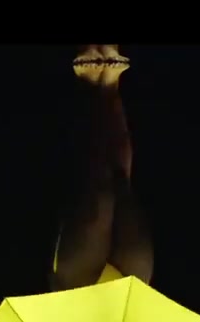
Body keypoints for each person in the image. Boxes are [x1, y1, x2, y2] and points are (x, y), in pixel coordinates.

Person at [50, 44, 153, 292]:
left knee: (99, 193)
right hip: (130, 294)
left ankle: (89, 85)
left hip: (74, 292)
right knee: (120, 186)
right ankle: (110, 86)